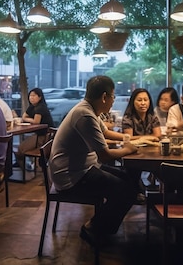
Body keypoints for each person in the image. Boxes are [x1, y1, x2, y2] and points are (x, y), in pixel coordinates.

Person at [49, 75, 138, 246]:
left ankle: (103, 226)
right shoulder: (85, 115)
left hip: (83, 168)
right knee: (126, 192)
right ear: (104, 97)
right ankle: (92, 227)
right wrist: (127, 149)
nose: (113, 101)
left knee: (128, 180)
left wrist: (131, 139)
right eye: (113, 96)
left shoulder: (88, 110)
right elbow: (104, 156)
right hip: (71, 177)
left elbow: (105, 133)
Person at [16, 88, 54, 170]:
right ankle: (25, 169)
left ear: (40, 97)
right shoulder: (32, 107)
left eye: (34, 95)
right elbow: (24, 116)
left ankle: (25, 170)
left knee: (20, 149)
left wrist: (27, 119)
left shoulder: (41, 107)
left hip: (44, 137)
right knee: (20, 149)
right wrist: (29, 120)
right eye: (30, 96)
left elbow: (36, 122)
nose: (31, 98)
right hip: (39, 135)